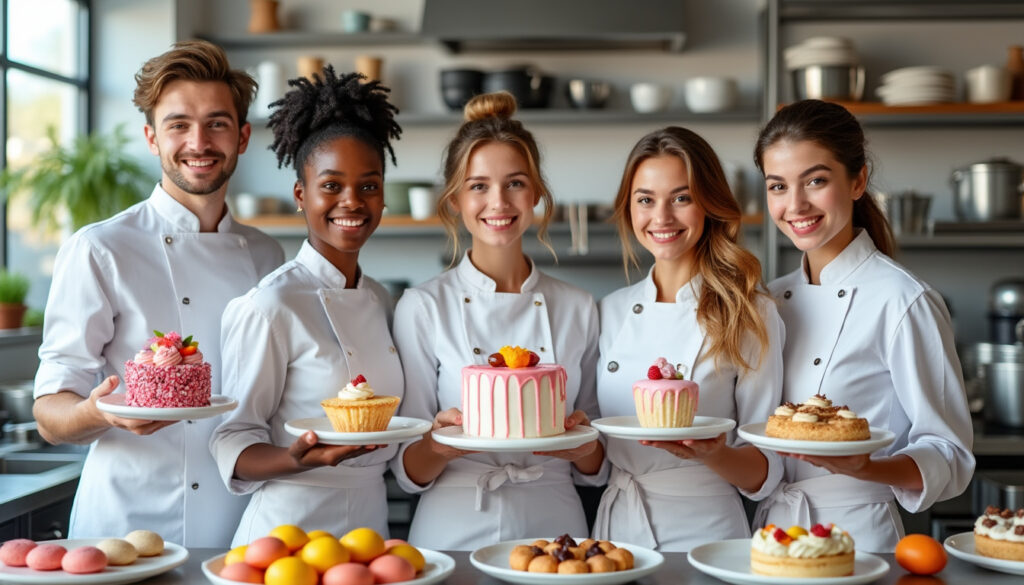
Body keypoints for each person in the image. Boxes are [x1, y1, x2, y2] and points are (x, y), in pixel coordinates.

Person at [31, 40, 284, 547]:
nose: (199, 141)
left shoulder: (267, 257)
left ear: (243, 136)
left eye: (217, 123)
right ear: (152, 137)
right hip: (126, 520)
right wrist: (98, 412)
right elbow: (49, 414)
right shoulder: (100, 249)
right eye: (178, 125)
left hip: (243, 521)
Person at [752, 99, 975, 552]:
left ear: (857, 181)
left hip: (859, 538)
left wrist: (866, 467)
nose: (795, 205)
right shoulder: (768, 300)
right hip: (771, 535)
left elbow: (950, 455)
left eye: (815, 180)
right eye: (778, 186)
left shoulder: (903, 299)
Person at [390, 91, 603, 551]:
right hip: (453, 524)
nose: (498, 202)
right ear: (455, 199)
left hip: (557, 527)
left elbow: (598, 465)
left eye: (515, 183)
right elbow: (407, 470)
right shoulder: (422, 307)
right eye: (479, 185)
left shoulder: (579, 307)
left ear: (537, 194)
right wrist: (442, 445)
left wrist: (584, 448)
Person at [210, 66, 404, 545]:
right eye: (332, 186)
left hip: (368, 526)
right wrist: (296, 457)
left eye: (369, 185)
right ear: (301, 194)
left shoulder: (380, 299)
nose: (352, 202)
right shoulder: (270, 303)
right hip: (288, 528)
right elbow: (232, 439)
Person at [593, 127, 784, 551]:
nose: (661, 218)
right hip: (616, 532)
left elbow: (764, 470)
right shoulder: (608, 311)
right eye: (645, 200)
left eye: (681, 198)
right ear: (629, 210)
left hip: (707, 530)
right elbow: (596, 456)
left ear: (710, 205)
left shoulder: (749, 312)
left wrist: (710, 453)